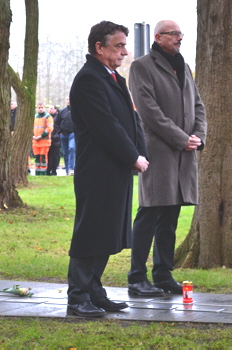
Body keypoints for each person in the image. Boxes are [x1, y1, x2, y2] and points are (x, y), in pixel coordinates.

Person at [67, 20, 149, 318]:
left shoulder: (114, 77)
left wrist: (141, 153)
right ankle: (77, 297)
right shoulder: (89, 79)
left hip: (115, 170)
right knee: (91, 231)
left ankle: (94, 291)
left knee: (107, 232)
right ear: (99, 47)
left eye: (125, 45)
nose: (125, 52)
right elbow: (106, 127)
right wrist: (132, 157)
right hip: (97, 171)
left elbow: (132, 120)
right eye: (119, 46)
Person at [128, 20, 207, 296]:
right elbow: (149, 111)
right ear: (158, 36)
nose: (179, 38)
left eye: (180, 34)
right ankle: (136, 277)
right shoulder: (142, 66)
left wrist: (198, 136)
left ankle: (163, 274)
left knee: (170, 216)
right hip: (159, 153)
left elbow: (198, 105)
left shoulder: (184, 66)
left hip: (184, 155)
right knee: (149, 213)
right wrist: (181, 138)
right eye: (173, 34)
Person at [32, 102, 54, 175]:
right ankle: (37, 172)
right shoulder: (35, 116)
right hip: (35, 141)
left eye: (42, 107)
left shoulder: (48, 116)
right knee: (37, 157)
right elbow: (31, 128)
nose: (40, 109)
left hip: (44, 141)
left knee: (43, 157)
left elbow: (49, 128)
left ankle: (43, 172)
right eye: (39, 107)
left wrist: (41, 136)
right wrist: (33, 136)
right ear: (37, 108)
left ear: (44, 108)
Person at [56, 97, 75, 175]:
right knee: (65, 153)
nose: (69, 101)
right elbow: (56, 122)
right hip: (63, 134)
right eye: (67, 99)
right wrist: (59, 132)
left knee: (71, 148)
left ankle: (71, 168)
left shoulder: (77, 111)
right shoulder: (62, 111)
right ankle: (67, 170)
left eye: (70, 99)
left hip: (73, 134)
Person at [47, 105, 61, 176]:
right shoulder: (47, 117)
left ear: (55, 109)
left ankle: (54, 169)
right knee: (48, 155)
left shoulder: (58, 117)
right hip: (48, 138)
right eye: (49, 109)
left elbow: (60, 126)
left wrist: (56, 135)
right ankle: (48, 169)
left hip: (56, 138)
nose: (50, 110)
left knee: (55, 155)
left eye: (52, 108)